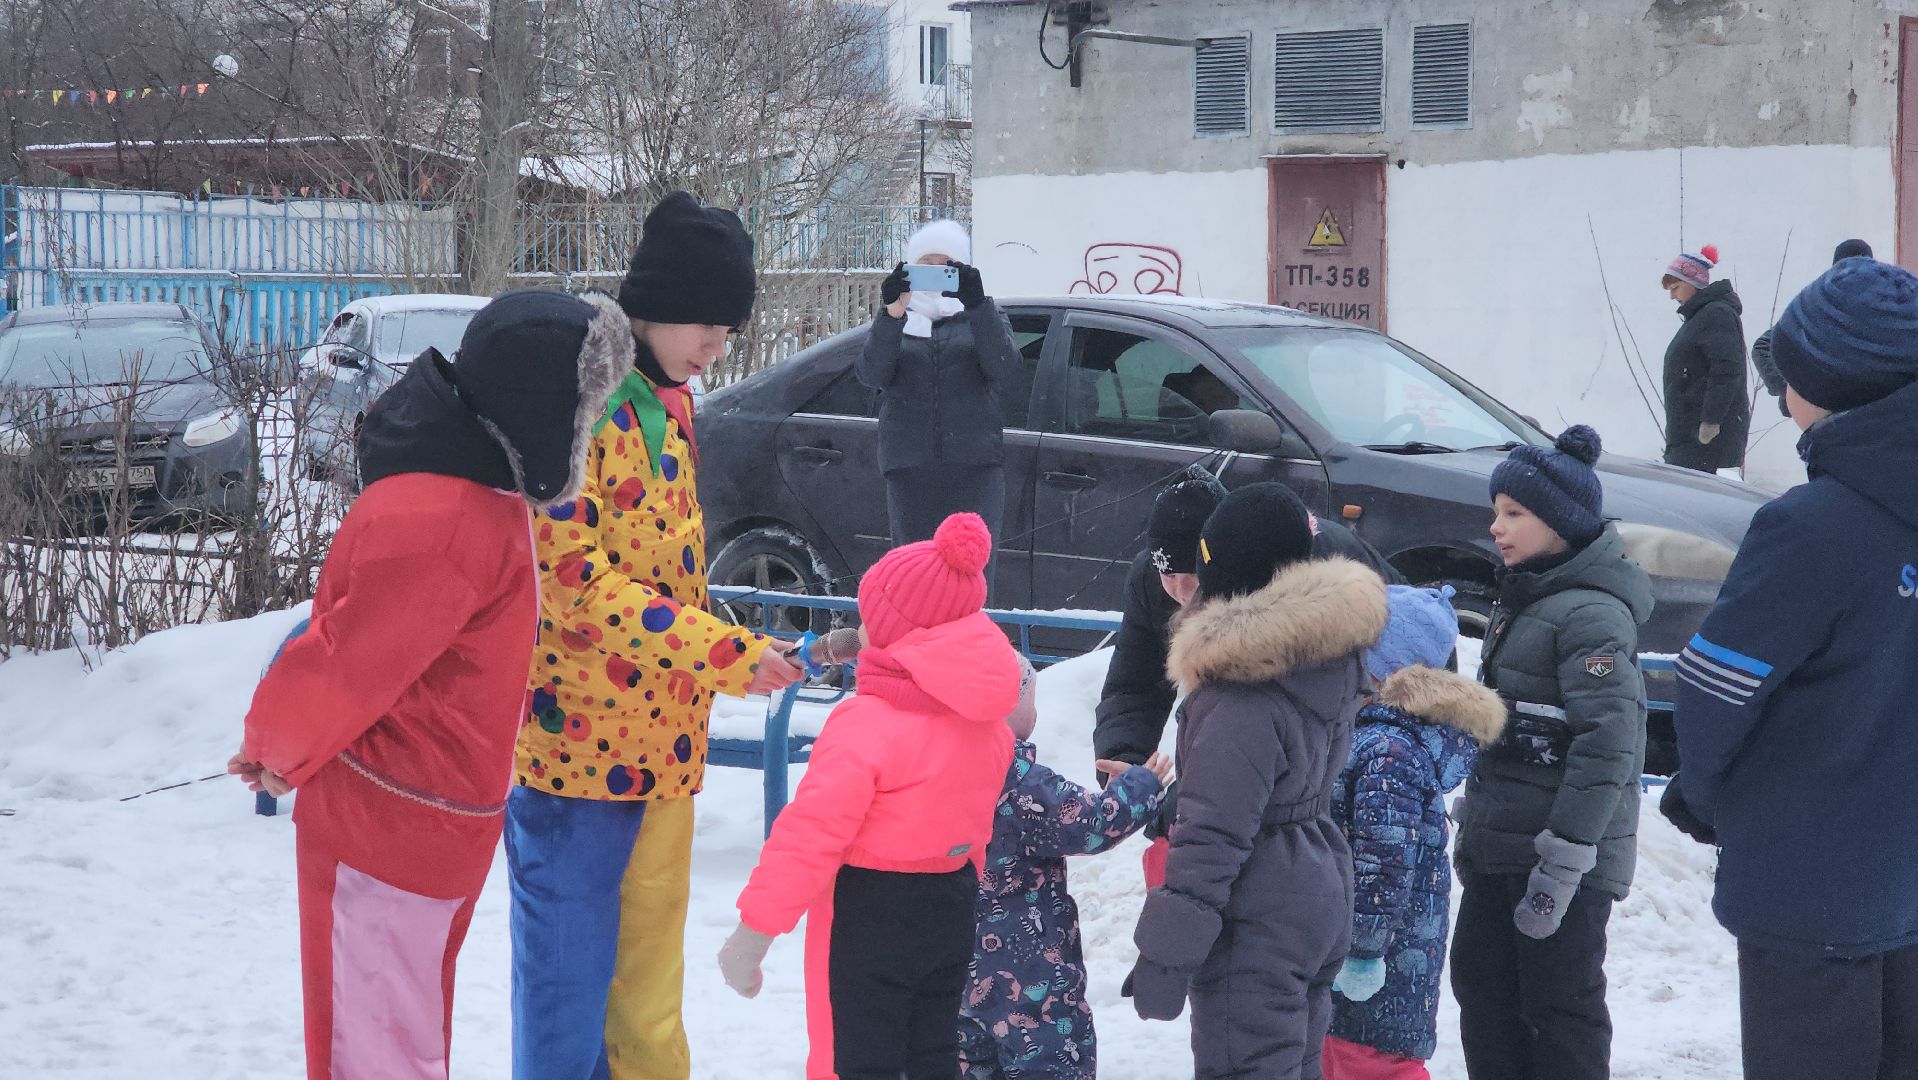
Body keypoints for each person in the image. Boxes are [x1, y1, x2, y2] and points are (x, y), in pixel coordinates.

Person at [230, 288, 631, 1080]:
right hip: (395, 817)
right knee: (380, 1042)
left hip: (417, 813)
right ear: (540, 403)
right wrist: (277, 746)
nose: (586, 428)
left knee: (388, 1034)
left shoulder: (471, 488)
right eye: (582, 407)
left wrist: (281, 743)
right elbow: (351, 658)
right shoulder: (447, 512)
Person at [506, 192, 806, 1080]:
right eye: (707, 324)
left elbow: (665, 573)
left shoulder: (668, 408)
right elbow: (576, 586)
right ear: (652, 307)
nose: (719, 346)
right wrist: (722, 653)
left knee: (646, 992)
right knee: (566, 993)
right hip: (579, 759)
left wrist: (729, 650)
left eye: (729, 328)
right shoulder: (583, 409)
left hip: (664, 748)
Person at [1664, 257, 1918, 1080]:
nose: (1777, 393)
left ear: (1831, 385)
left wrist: (1701, 796)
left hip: (1809, 885)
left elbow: (1714, 691)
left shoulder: (1810, 528)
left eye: (1791, 374)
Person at [718, 512, 1021, 1080]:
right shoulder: (989, 724)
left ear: (891, 628)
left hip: (868, 910)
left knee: (855, 1058)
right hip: (951, 899)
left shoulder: (867, 724)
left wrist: (753, 934)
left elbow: (809, 836)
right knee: (931, 1053)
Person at [1127, 482, 1390, 1080]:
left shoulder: (1240, 696)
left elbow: (1214, 837)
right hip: (1315, 887)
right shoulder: (1324, 657)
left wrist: (1165, 960)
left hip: (1256, 910)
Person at [1449, 425, 1652, 1080]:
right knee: (1483, 992)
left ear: (1562, 523)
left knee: (1558, 1006)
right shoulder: (1528, 597)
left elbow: (1608, 743)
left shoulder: (1590, 615)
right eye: (1496, 512)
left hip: (1564, 856)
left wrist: (1564, 861)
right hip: (1502, 845)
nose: (1497, 527)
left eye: (1515, 514)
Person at [1093, 470, 1404, 890]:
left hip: (1345, 757)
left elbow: (1278, 724)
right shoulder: (1153, 578)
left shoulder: (1301, 569)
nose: (1183, 595)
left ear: (1222, 564)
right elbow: (1134, 686)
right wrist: (1127, 766)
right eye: (1170, 579)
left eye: (1194, 581)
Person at [957, 656, 1172, 1080]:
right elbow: (1093, 823)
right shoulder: (1019, 783)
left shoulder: (938, 769)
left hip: (955, 966)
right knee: (1049, 1061)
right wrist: (1141, 785)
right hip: (1030, 971)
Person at [1324, 585, 1505, 1080]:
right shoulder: (1383, 737)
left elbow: (1384, 862)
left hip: (1374, 967)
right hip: (1383, 959)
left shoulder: (1387, 750)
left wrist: (1362, 951)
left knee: (1367, 1066)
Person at [857, 219, 1021, 557]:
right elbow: (871, 374)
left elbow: (1004, 368)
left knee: (970, 568)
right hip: (909, 469)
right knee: (915, 570)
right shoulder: (896, 318)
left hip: (975, 468)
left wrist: (977, 306)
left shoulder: (983, 314)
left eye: (944, 265)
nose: (933, 272)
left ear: (961, 267)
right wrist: (892, 313)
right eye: (925, 264)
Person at [1749, 238, 1874, 417]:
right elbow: (1763, 347)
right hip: (1830, 418)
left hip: (1869, 417)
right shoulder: (1817, 305)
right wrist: (1796, 390)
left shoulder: (1883, 308)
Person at [1659, 244, 1751, 473]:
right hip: (1690, 434)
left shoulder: (1716, 315)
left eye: (1676, 287)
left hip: (1705, 440)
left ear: (1693, 283)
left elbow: (1726, 371)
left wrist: (1711, 421)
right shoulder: (1700, 317)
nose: (1672, 296)